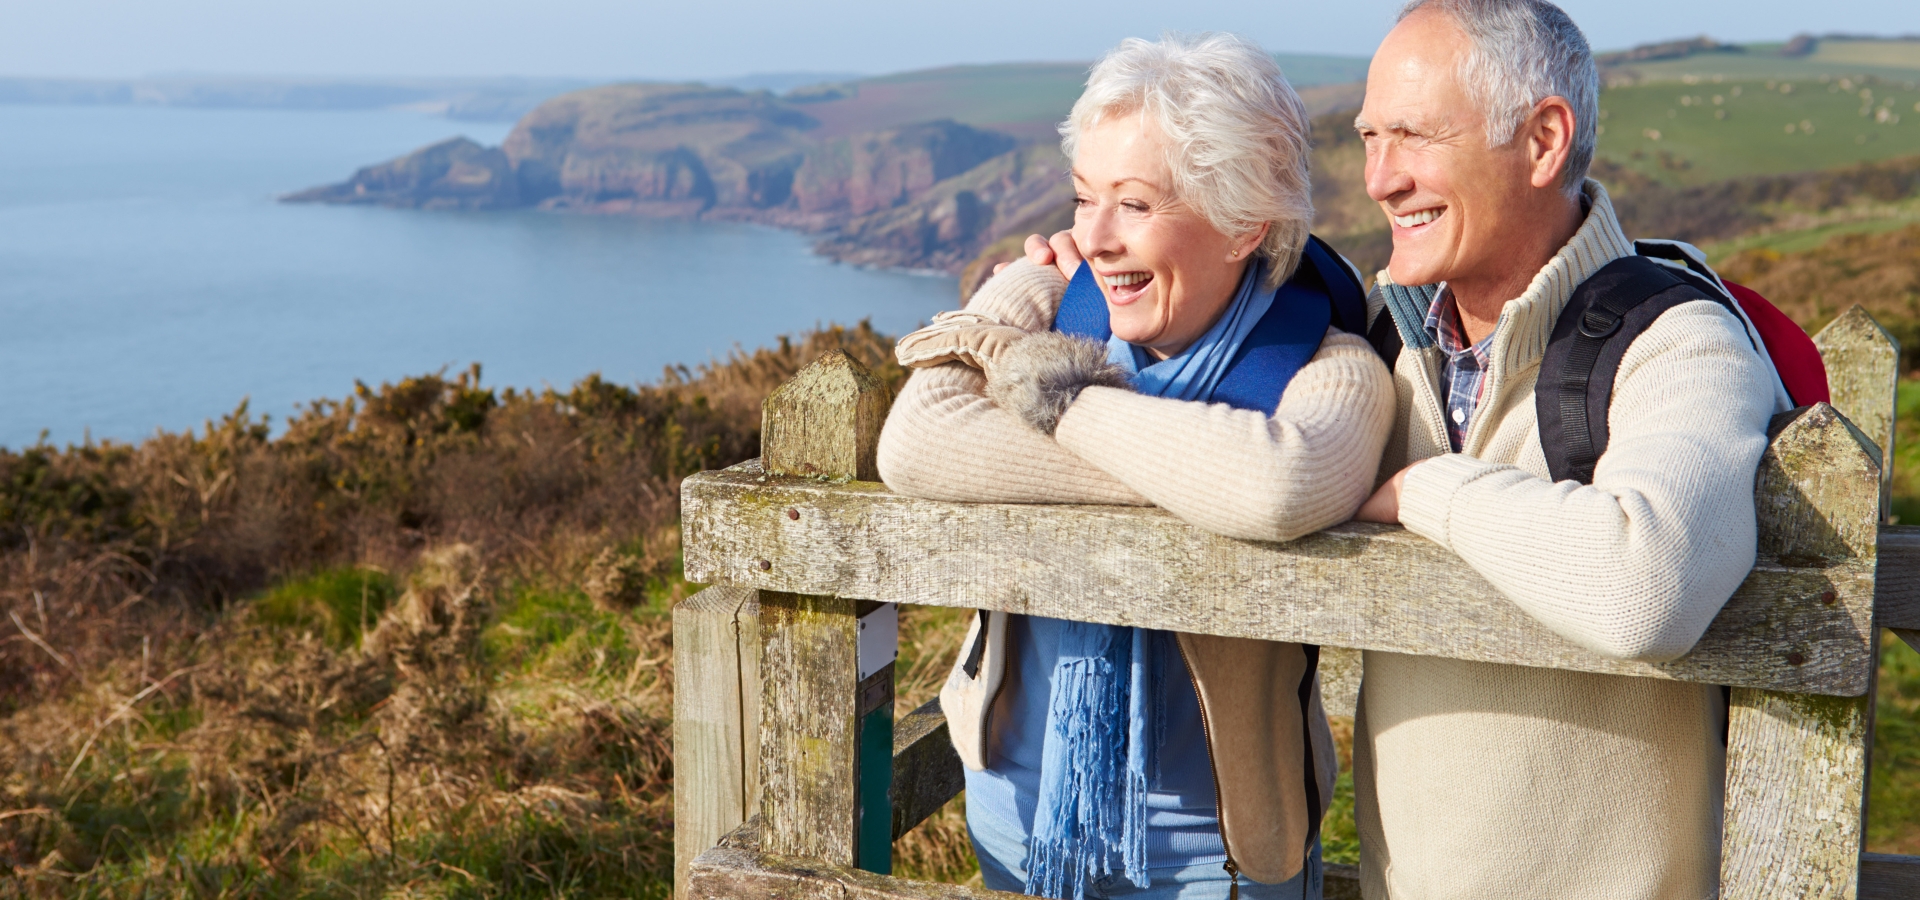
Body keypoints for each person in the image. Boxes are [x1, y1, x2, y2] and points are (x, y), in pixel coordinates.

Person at [877, 33, 1394, 900]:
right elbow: (916, 443)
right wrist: (1010, 297)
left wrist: (1061, 405)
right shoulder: (1055, 311)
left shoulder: (1331, 367)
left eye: (1137, 206)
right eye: (1084, 199)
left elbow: (1276, 486)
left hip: (1217, 862)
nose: (1095, 237)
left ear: (1243, 224)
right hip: (1015, 819)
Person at [1346, 1, 1785, 897]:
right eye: (1368, 137)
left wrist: (1429, 490)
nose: (1379, 179)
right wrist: (1063, 293)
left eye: (1413, 137)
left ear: (1545, 140)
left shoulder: (1679, 341)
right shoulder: (1381, 338)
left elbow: (1645, 587)